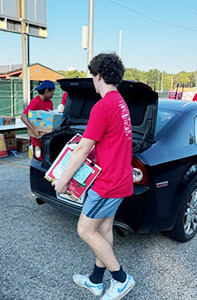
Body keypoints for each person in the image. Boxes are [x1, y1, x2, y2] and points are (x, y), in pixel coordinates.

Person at [52, 53, 135, 300]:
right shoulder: (120, 102)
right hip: (120, 178)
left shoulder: (104, 105)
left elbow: (82, 148)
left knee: (85, 230)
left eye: (93, 76)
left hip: (107, 182)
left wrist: (64, 179)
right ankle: (96, 281)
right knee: (104, 227)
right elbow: (107, 141)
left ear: (98, 75)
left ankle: (121, 280)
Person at [21, 80, 55, 147]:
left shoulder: (50, 102)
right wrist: (33, 130)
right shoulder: (35, 101)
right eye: (53, 91)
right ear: (47, 91)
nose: (53, 94)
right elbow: (23, 116)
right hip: (37, 136)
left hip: (47, 136)